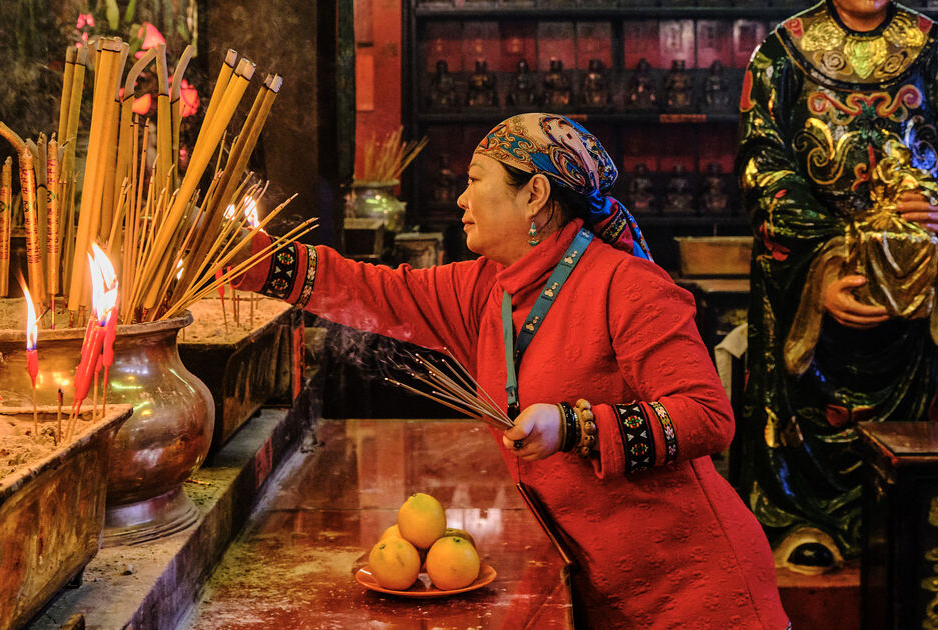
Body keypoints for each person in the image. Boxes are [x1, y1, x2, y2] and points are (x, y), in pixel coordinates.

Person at [235, 113, 789, 629]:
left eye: (475, 180)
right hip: (600, 586)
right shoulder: (486, 290)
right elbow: (372, 290)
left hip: (696, 592)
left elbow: (708, 416)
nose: (460, 198)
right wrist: (248, 258)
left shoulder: (628, 287)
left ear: (536, 194)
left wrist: (574, 426)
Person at [735, 0, 938, 570]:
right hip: (817, 276)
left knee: (916, 418)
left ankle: (915, 517)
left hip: (913, 284)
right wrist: (824, 264)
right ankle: (805, 518)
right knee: (806, 401)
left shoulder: (936, 49)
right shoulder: (781, 53)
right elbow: (764, 171)